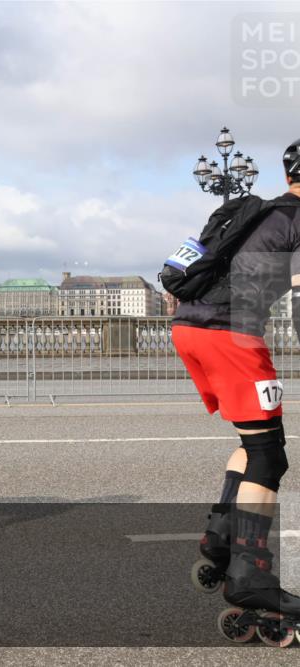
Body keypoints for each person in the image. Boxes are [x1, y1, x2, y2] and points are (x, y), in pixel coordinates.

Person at [173, 138, 300, 638]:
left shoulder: (259, 211)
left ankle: (220, 541)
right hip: (231, 335)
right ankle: (251, 576)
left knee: (252, 444)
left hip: (189, 328)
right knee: (270, 457)